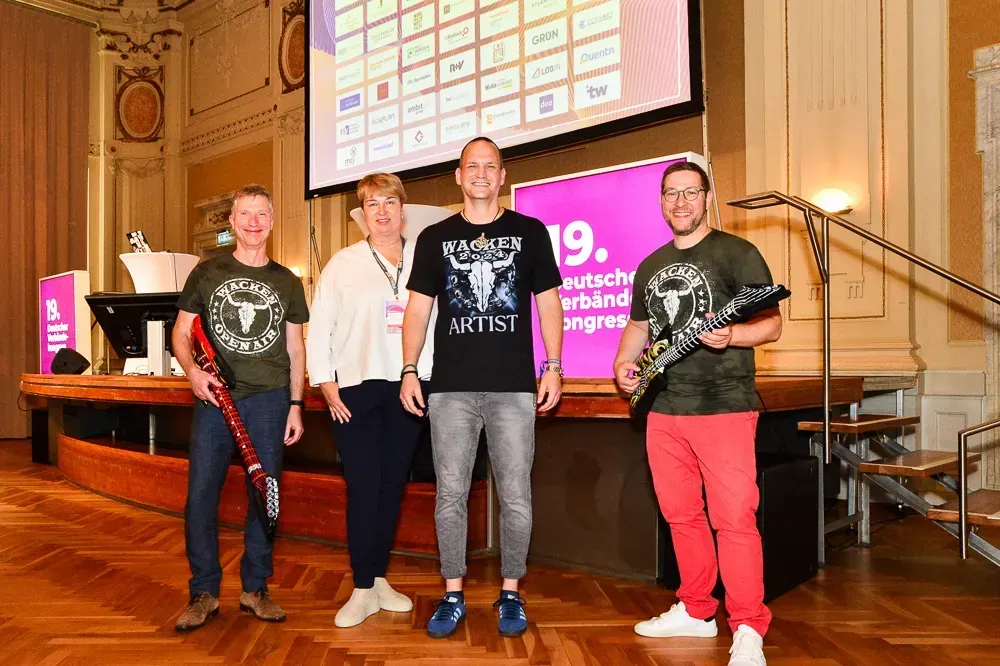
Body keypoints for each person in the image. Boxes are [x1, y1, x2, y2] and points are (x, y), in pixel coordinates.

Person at [613, 162, 780, 666]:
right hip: (664, 409)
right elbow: (638, 326)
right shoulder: (650, 265)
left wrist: (734, 335)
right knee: (681, 516)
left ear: (707, 197)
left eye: (690, 192)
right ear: (661, 202)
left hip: (725, 405)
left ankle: (747, 626)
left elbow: (772, 324)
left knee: (734, 519)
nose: (680, 202)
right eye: (671, 193)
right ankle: (696, 609)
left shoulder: (737, 253)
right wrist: (622, 363)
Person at [400, 137, 564, 639]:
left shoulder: (530, 232)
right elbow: (418, 310)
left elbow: (549, 303)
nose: (481, 174)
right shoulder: (434, 238)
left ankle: (510, 592)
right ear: (458, 175)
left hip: (514, 389)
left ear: (502, 175)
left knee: (516, 496)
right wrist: (409, 369)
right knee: (450, 495)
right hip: (450, 390)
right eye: (472, 166)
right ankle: (452, 593)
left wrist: (553, 365)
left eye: (490, 166)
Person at [172, 184, 309, 631]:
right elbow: (181, 332)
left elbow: (295, 348)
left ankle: (255, 588)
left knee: (265, 497)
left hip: (270, 400)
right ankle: (204, 592)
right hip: (216, 399)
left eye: (261, 214)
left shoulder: (287, 281)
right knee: (201, 496)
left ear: (272, 221)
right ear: (232, 222)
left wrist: (295, 404)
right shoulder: (207, 272)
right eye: (245, 214)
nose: (253, 222)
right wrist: (194, 374)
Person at [306, 172, 433, 628]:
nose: (382, 211)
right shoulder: (343, 263)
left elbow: (436, 324)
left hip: (410, 386)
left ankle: (378, 579)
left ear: (403, 209)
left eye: (389, 202)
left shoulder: (424, 259)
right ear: (363, 214)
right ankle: (362, 586)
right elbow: (321, 325)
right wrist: (325, 382)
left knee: (391, 486)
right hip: (355, 388)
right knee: (362, 486)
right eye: (373, 204)